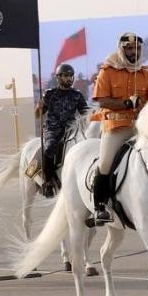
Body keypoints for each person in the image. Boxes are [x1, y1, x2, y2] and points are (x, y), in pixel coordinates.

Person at [91, 33, 148, 224]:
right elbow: (102, 100)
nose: (134, 52)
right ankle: (100, 207)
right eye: (129, 48)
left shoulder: (147, 72)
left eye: (137, 48)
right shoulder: (108, 70)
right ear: (121, 49)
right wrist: (126, 103)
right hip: (116, 128)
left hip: (140, 128)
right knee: (105, 164)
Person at [35, 63, 88, 197]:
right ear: (58, 77)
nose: (69, 78)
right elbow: (37, 115)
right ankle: (48, 182)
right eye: (66, 76)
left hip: (70, 129)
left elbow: (85, 114)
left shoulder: (77, 95)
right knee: (49, 148)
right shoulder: (50, 94)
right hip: (52, 130)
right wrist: (38, 107)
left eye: (71, 76)